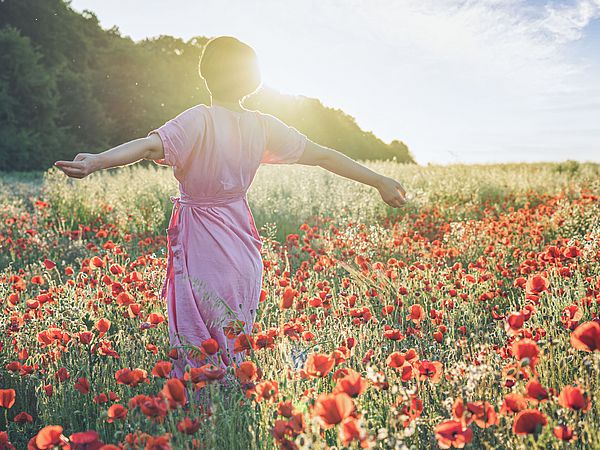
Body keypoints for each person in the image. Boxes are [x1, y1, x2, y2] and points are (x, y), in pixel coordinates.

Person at [54, 35, 408, 391]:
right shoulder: (263, 126)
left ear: (205, 75)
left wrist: (98, 161)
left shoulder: (198, 120)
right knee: (232, 348)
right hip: (242, 251)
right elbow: (325, 156)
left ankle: (201, 421)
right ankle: (233, 411)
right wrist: (378, 179)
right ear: (252, 82)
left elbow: (148, 147)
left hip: (204, 247)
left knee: (199, 353)